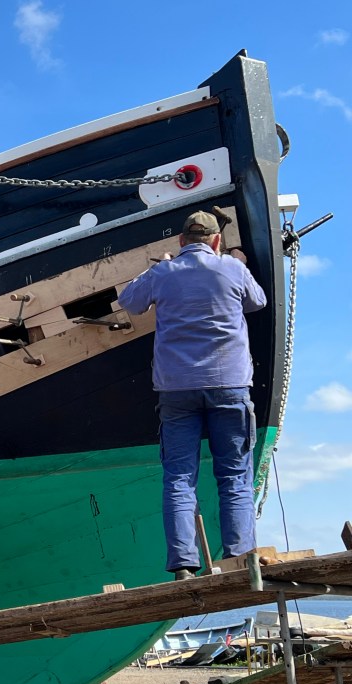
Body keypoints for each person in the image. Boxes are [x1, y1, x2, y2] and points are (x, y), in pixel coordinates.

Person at [118, 211, 267, 580]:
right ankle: (239, 560)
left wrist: (159, 267)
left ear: (181, 241)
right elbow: (258, 301)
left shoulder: (164, 273)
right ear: (216, 241)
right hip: (229, 384)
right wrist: (235, 262)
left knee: (179, 477)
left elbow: (129, 301)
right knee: (234, 476)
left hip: (176, 389)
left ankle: (184, 565)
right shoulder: (232, 268)